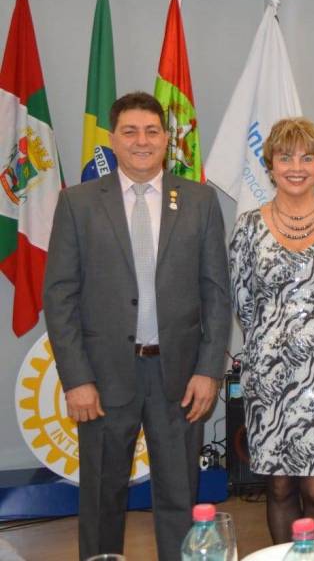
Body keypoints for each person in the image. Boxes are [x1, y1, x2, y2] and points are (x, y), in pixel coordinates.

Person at [43, 91, 230, 561]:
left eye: (151, 131)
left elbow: (216, 293)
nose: (141, 141)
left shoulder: (200, 201)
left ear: (166, 139)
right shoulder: (79, 203)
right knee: (101, 500)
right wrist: (77, 379)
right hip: (103, 379)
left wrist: (209, 371)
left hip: (179, 379)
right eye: (130, 132)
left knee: (180, 498)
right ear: (112, 139)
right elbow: (60, 296)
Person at [228, 117, 314, 543]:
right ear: (270, 164)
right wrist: (276, 340)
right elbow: (242, 299)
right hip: (268, 377)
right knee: (278, 486)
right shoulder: (248, 227)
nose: (296, 166)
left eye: (306, 158)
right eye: (285, 156)